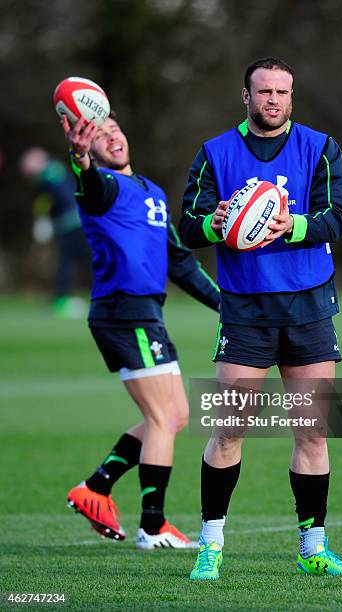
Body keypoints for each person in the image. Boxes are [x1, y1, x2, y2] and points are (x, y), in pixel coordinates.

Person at [179, 57, 342, 577]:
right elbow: (188, 224)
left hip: (309, 306)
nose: (273, 100)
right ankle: (211, 546)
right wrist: (217, 225)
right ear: (245, 95)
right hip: (245, 311)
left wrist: (293, 224)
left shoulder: (320, 147)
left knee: (312, 431)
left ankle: (314, 550)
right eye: (264, 92)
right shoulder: (215, 152)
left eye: (282, 92)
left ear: (291, 95)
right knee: (230, 428)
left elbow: (338, 216)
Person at [60, 112, 220, 549]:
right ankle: (153, 526)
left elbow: (181, 262)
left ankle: (96, 487)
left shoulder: (151, 192)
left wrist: (229, 306)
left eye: (115, 129)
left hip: (148, 314)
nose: (111, 136)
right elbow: (90, 186)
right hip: (123, 315)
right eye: (99, 135)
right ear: (90, 150)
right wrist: (79, 159)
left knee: (176, 417)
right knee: (162, 418)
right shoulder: (103, 187)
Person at [19, 148, 91, 318]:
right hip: (74, 222)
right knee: (74, 262)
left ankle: (62, 298)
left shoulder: (50, 174)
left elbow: (58, 198)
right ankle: (61, 297)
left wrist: (44, 220)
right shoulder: (53, 172)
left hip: (73, 223)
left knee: (72, 262)